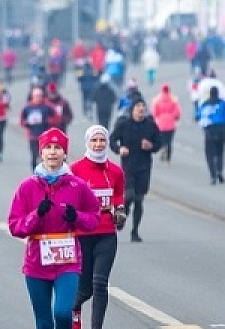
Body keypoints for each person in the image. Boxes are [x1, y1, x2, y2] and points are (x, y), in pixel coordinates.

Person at [7, 129, 101, 329]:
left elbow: (95, 218)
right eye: (48, 148)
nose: (52, 152)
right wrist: (36, 215)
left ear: (65, 153)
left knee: (62, 312)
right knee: (43, 322)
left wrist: (77, 217)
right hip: (36, 263)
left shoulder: (77, 186)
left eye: (57, 148)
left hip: (67, 262)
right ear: (41, 153)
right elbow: (15, 226)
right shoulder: (27, 187)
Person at [69, 126, 128, 329]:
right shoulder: (75, 170)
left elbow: (118, 196)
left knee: (100, 284)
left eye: (102, 140)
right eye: (94, 140)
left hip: (106, 234)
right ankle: (73, 310)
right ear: (87, 143)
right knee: (85, 289)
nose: (98, 144)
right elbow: (69, 199)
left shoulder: (115, 171)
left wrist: (120, 211)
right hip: (83, 234)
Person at [110, 100, 163, 242]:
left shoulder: (150, 125)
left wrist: (151, 146)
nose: (141, 109)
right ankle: (121, 218)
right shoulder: (124, 124)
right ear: (132, 109)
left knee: (139, 200)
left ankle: (135, 232)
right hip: (128, 166)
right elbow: (112, 139)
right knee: (128, 196)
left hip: (144, 167)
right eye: (138, 107)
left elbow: (159, 143)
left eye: (143, 107)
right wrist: (119, 149)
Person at [196, 87, 225, 185]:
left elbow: (198, 116)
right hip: (221, 129)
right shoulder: (223, 103)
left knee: (209, 154)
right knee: (220, 152)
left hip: (209, 130)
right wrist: (224, 121)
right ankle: (219, 170)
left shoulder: (205, 104)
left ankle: (213, 175)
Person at [21, 88, 58, 168]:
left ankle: (45, 173)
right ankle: (35, 173)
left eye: (39, 96)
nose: (38, 98)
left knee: (44, 156)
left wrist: (47, 122)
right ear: (32, 97)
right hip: (33, 136)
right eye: (36, 96)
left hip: (45, 136)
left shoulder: (47, 106)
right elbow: (22, 121)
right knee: (34, 155)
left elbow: (55, 118)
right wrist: (27, 123)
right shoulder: (27, 108)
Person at [150, 84, 181, 164]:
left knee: (162, 139)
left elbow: (154, 113)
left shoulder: (157, 100)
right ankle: (168, 159)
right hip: (171, 123)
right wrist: (173, 116)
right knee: (169, 141)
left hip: (161, 123)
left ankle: (163, 149)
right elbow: (177, 112)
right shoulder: (173, 99)